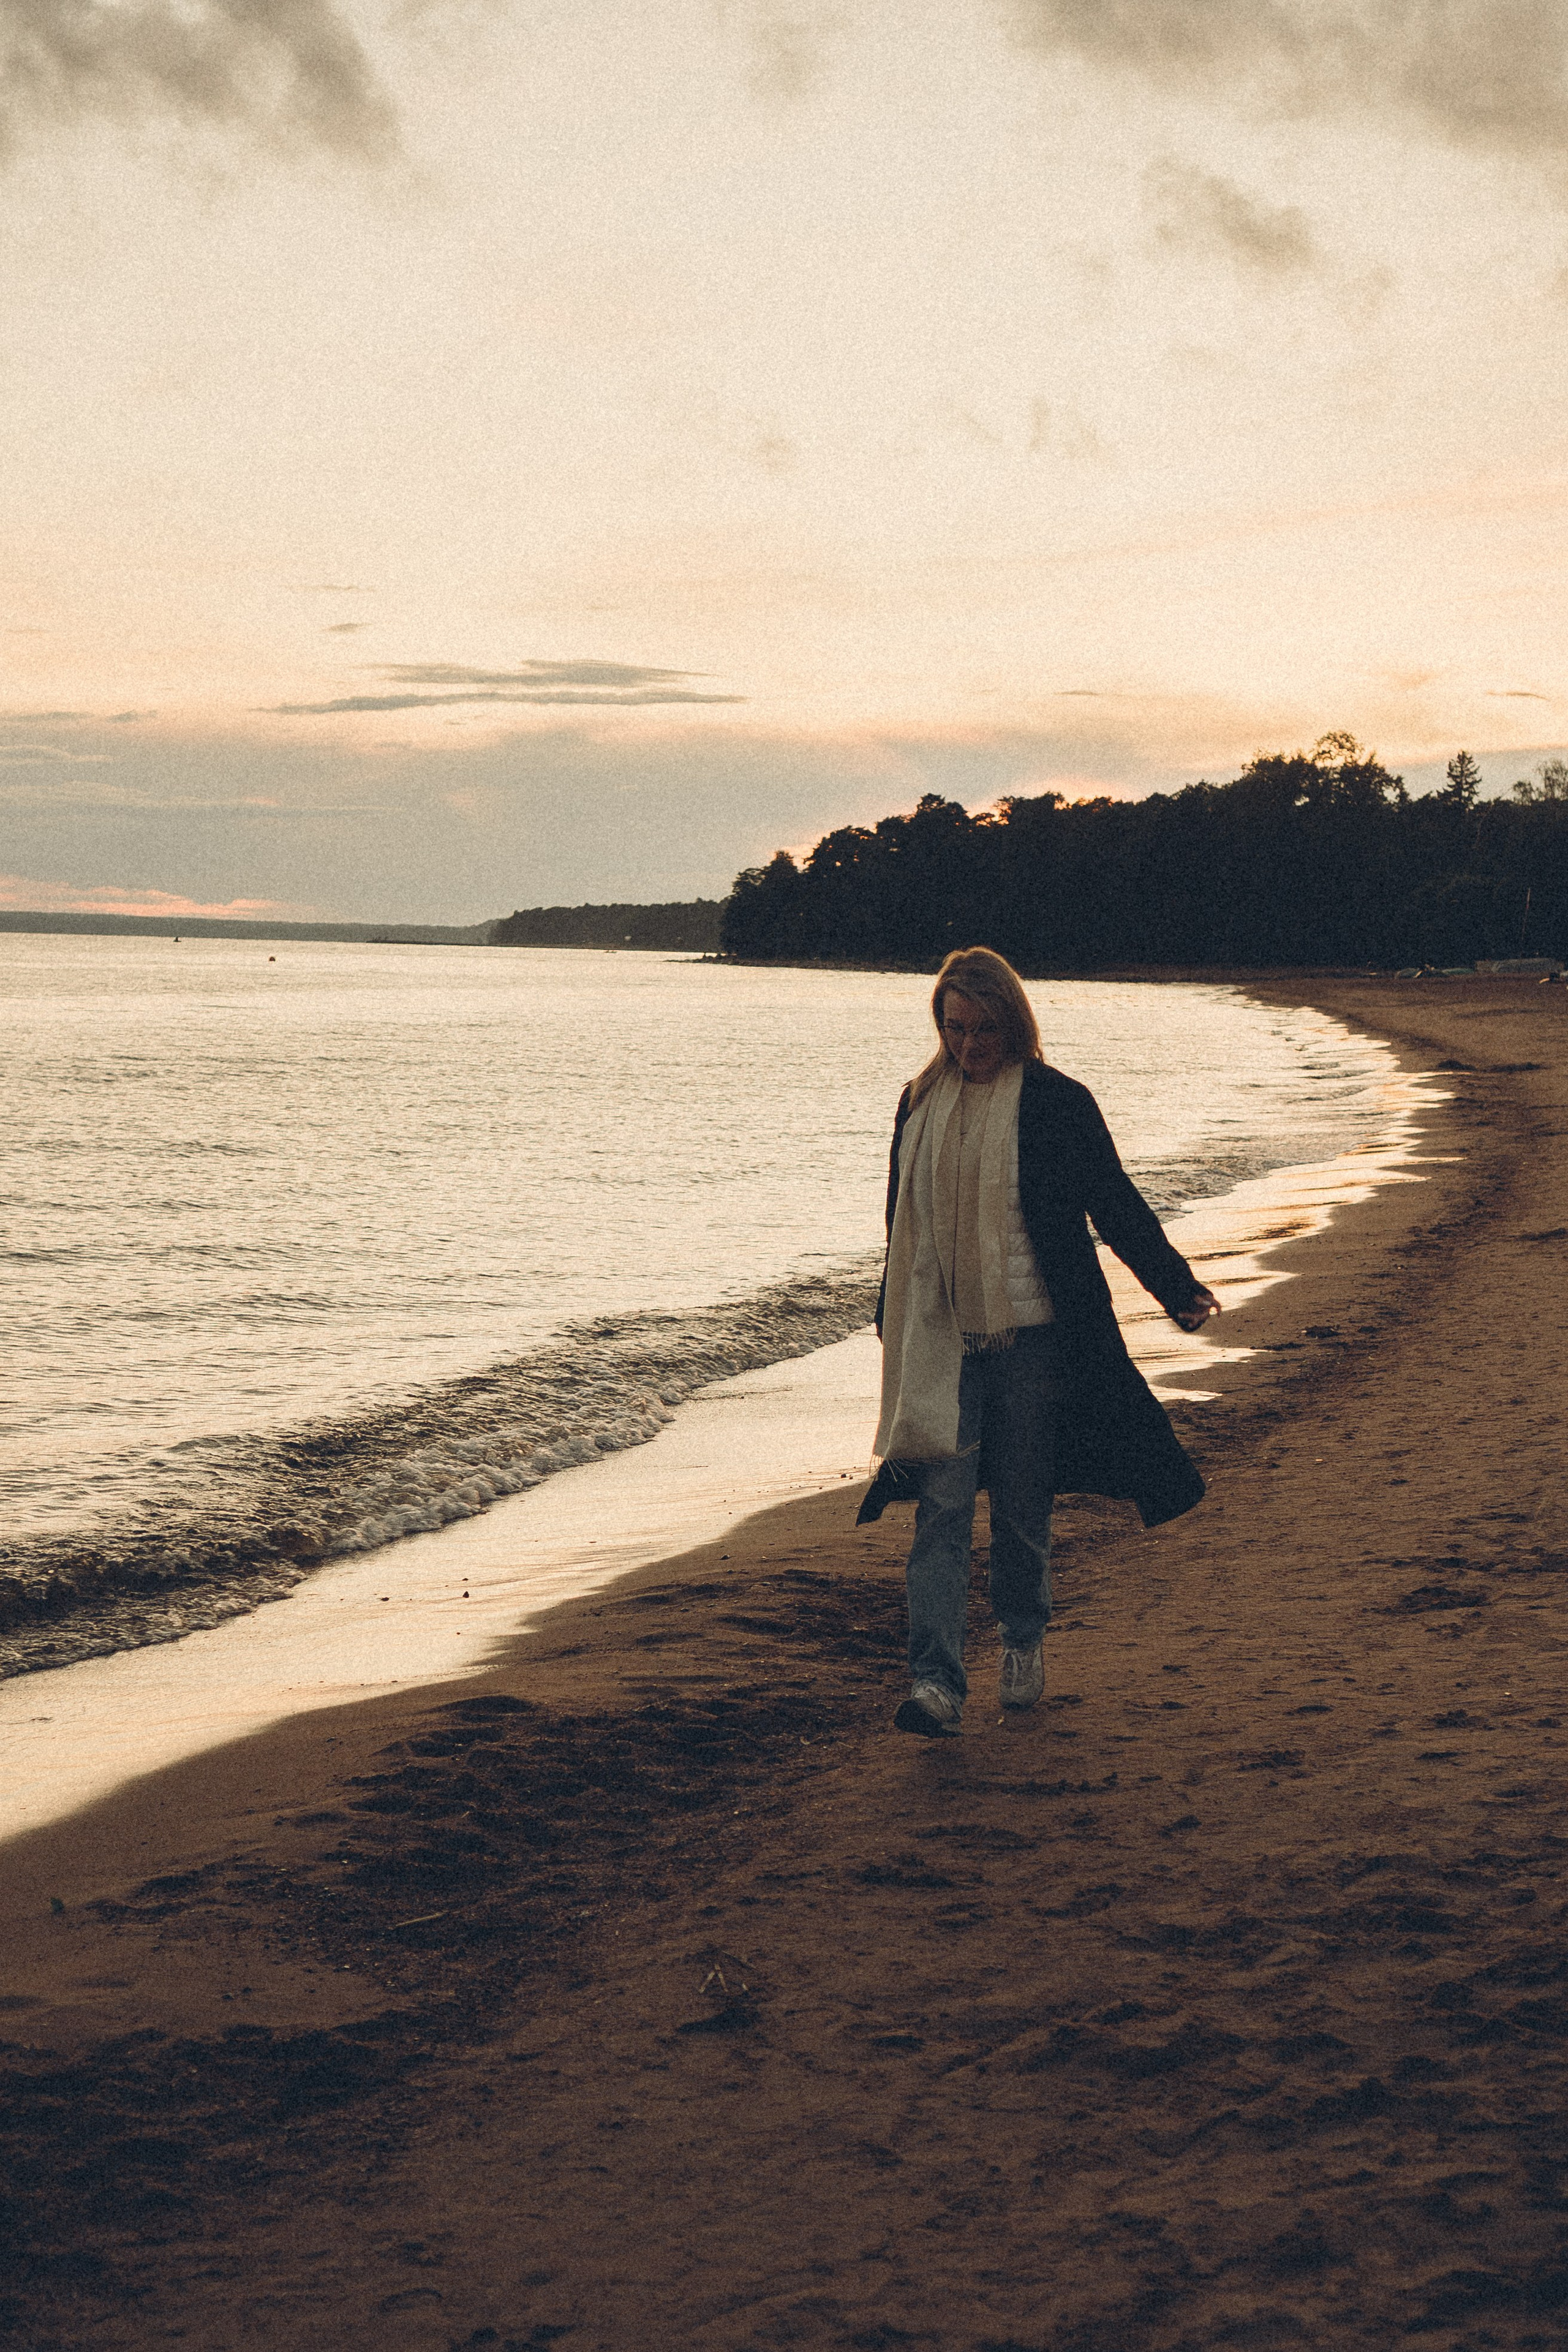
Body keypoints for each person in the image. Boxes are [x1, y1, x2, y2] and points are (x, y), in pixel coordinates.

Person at [858, 947, 1220, 1737]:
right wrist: (892, 1317)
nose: (968, 1046)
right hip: (942, 1343)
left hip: (1037, 1345)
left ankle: (1022, 1640)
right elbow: (901, 1228)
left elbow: (1112, 1202)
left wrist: (1176, 1287)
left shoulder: (1058, 1102)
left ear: (1013, 1024)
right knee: (941, 1510)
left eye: (984, 1030)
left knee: (1022, 1508)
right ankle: (935, 1685)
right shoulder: (917, 1101)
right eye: (954, 1028)